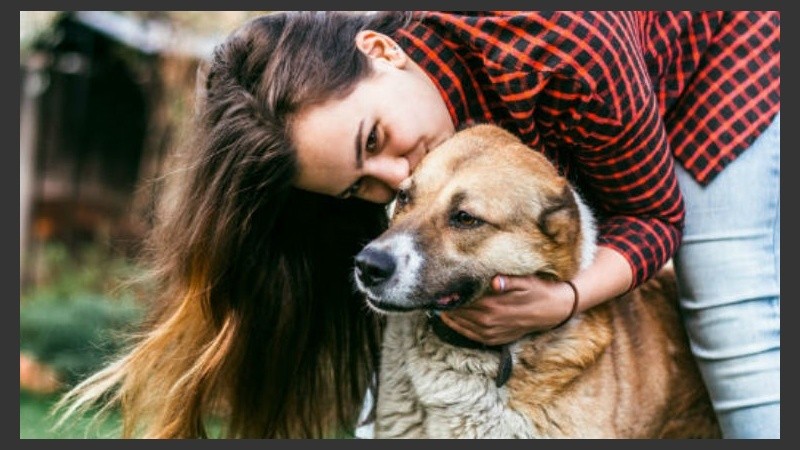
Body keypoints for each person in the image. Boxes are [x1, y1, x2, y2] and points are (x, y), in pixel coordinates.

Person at [55, 11, 779, 439]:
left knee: (727, 307)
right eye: (362, 186)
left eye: (375, 141)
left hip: (720, 68)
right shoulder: (409, 132)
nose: (396, 179)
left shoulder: (564, 41)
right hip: (603, 106)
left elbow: (653, 214)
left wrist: (564, 298)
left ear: (382, 51)